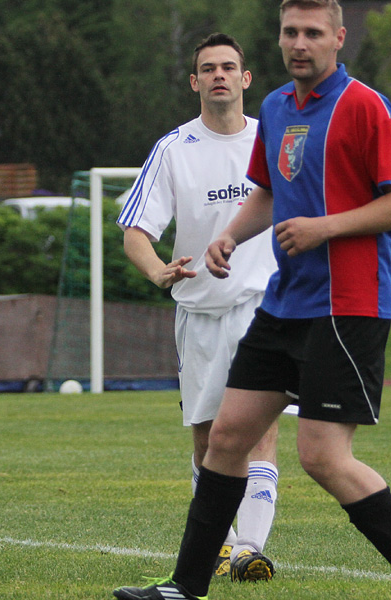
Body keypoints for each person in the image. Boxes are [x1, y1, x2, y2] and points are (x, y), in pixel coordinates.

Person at [112, 2, 391, 600]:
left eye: (313, 33)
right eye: (290, 32)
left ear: (338, 39)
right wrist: (229, 236)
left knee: (321, 457)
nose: (300, 43)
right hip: (285, 303)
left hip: (347, 306)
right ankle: (185, 586)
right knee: (226, 437)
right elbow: (269, 192)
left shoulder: (364, 106)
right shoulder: (274, 107)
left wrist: (325, 227)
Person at [116, 33, 281, 582]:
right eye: (208, 68)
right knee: (207, 436)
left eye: (228, 67)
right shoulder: (173, 150)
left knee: (260, 430)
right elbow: (136, 230)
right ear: (194, 82)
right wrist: (157, 270)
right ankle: (222, 542)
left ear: (245, 78)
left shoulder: (272, 140)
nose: (219, 76)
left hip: (264, 307)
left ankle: (249, 549)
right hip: (200, 314)